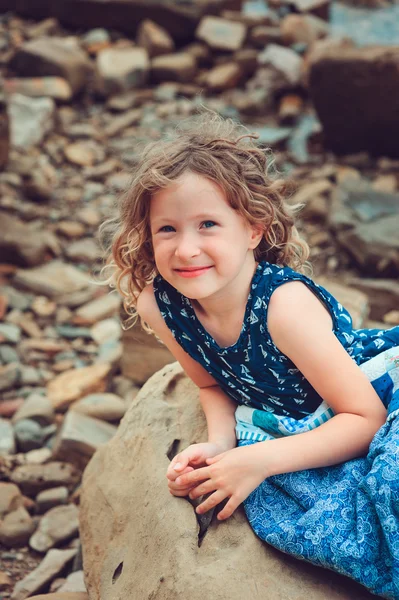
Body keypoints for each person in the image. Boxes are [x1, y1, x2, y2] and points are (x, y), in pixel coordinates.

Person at [103, 112, 399, 599]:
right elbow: (209, 383)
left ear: (253, 230)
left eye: (208, 224)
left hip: (371, 391)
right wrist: (221, 446)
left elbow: (365, 416)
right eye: (168, 229)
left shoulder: (284, 307)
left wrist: (257, 459)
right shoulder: (160, 304)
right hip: (301, 420)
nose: (187, 248)